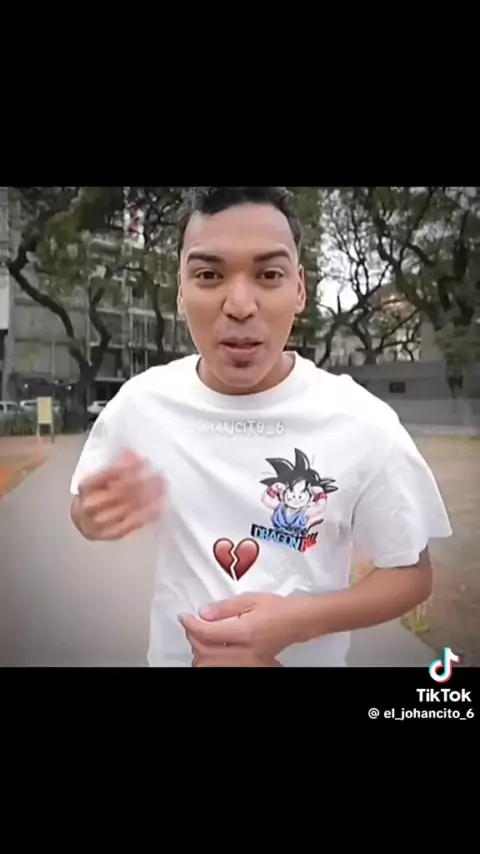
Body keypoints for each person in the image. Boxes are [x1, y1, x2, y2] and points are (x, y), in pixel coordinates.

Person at [70, 187, 453, 668]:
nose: (239, 304)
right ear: (181, 291)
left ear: (300, 289)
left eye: (269, 274)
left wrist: (297, 622)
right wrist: (91, 516)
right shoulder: (141, 404)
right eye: (209, 275)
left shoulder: (363, 422)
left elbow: (412, 574)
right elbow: (82, 508)